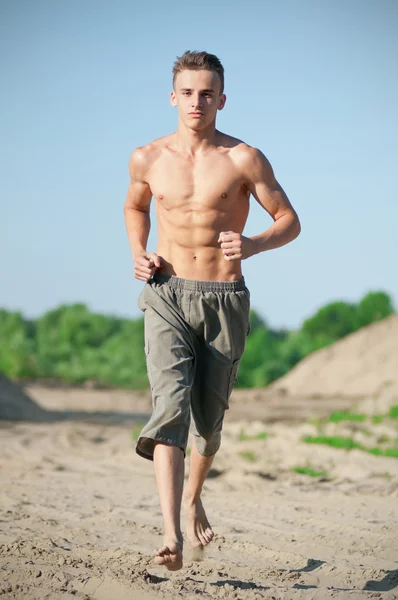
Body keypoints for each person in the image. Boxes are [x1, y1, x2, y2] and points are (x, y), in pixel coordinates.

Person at [124, 50, 301, 571]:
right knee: (169, 407)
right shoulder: (147, 157)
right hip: (166, 291)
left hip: (223, 298)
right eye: (187, 92)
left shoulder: (245, 158)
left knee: (209, 423)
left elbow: (290, 220)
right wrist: (139, 251)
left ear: (222, 99)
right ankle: (170, 533)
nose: (196, 102)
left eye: (207, 93)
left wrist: (254, 244)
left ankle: (193, 494)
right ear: (172, 96)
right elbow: (135, 206)